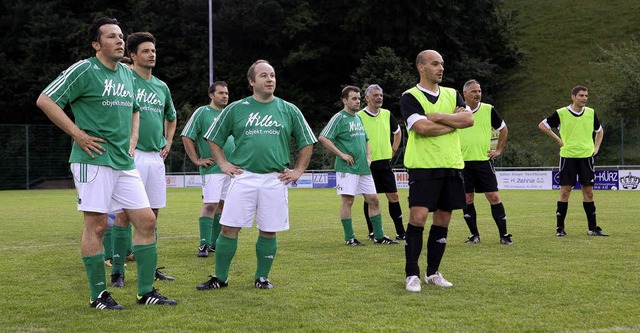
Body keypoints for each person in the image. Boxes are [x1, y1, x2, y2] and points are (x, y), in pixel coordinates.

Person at [36, 17, 177, 309]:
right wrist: (77, 134)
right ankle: (98, 295)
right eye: (112, 36)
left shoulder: (127, 75)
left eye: (121, 36)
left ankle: (146, 291)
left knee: (147, 220)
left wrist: (133, 140)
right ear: (96, 44)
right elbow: (45, 99)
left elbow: (136, 111)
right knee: (97, 225)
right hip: (93, 160)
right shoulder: (84, 69)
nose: (120, 41)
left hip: (123, 160)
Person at [196, 59, 317, 290]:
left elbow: (306, 141)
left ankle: (262, 277)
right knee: (229, 227)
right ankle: (220, 278)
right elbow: (213, 137)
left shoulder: (289, 109)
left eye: (272, 75)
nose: (270, 79)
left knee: (269, 230)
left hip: (275, 178)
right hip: (243, 177)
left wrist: (299, 170)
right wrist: (222, 163)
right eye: (263, 75)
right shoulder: (236, 108)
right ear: (252, 81)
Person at [400, 50, 474, 292]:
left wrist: (440, 118)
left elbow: (469, 120)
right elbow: (421, 127)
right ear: (421, 67)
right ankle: (412, 274)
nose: (440, 68)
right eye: (435, 64)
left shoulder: (453, 94)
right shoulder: (409, 97)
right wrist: (453, 122)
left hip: (451, 165)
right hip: (423, 167)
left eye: (442, 63)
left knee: (443, 219)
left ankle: (433, 272)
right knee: (418, 218)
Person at [109, 31, 177, 288]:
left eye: (154, 51)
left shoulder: (161, 86)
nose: (152, 55)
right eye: (146, 51)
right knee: (125, 216)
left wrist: (169, 141)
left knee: (153, 215)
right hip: (131, 156)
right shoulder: (125, 80)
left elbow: (171, 116)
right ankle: (117, 270)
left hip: (155, 157)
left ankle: (150, 267)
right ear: (133, 56)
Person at [319, 86, 399, 246]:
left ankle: (379, 236)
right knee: (348, 201)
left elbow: (366, 139)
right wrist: (342, 154)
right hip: (347, 168)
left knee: (374, 199)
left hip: (363, 167)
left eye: (358, 98)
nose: (357, 101)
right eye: (354, 99)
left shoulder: (358, 118)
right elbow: (323, 137)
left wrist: (368, 157)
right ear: (344, 101)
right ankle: (350, 238)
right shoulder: (339, 118)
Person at [538, 85, 606, 237]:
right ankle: (560, 228)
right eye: (581, 95)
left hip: (586, 157)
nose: (584, 98)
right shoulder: (562, 113)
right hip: (568, 157)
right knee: (565, 191)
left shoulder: (590, 113)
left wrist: (596, 147)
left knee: (588, 192)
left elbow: (599, 131)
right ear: (573, 97)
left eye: (586, 96)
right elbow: (542, 125)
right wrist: (557, 139)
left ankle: (592, 228)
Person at [181, 81, 234, 258]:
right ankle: (203, 244)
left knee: (223, 205)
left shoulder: (230, 114)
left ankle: (214, 243)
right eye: (221, 93)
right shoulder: (203, 112)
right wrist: (196, 159)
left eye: (226, 93)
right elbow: (187, 135)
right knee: (210, 204)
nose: (225, 96)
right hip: (212, 168)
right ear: (211, 95)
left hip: (231, 169)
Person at [459, 79, 512, 245]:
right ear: (465, 94)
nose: (478, 94)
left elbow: (503, 129)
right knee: (467, 199)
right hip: (462, 163)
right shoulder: (457, 111)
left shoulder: (488, 110)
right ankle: (474, 235)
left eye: (479, 91)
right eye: (474, 91)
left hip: (483, 161)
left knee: (494, 196)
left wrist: (498, 150)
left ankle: (504, 235)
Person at [357, 84, 406, 241]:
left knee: (394, 196)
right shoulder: (359, 117)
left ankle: (401, 232)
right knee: (370, 198)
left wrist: (392, 151)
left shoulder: (386, 114)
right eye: (375, 95)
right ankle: (372, 232)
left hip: (385, 163)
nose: (379, 98)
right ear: (367, 98)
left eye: (381, 95)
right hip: (368, 164)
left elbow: (398, 133)